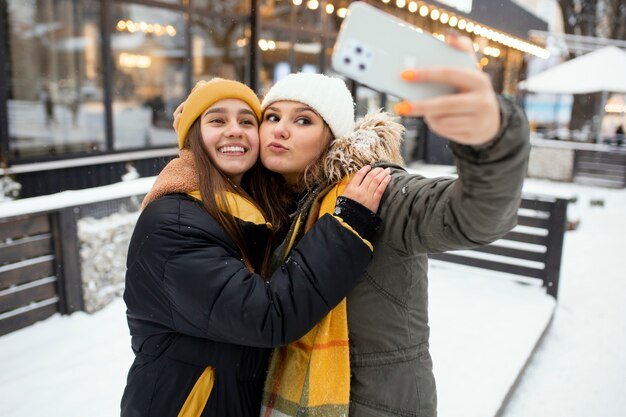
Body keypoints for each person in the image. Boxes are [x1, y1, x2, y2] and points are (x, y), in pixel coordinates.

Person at [256, 34, 530, 417]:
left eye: (303, 119)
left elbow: (474, 216)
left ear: (333, 136)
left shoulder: (376, 191)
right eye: (272, 116)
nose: (280, 130)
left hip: (378, 404)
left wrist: (491, 139)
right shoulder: (265, 205)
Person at [120, 78, 391, 417]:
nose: (235, 130)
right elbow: (266, 316)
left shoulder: (242, 211)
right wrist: (345, 228)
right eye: (217, 120)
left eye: (247, 121)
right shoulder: (174, 223)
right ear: (193, 139)